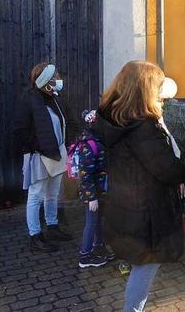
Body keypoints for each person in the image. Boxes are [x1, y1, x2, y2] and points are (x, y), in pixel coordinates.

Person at [92, 61, 185, 312]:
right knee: (145, 267)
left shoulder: (116, 119)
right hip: (147, 214)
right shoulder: (143, 127)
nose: (161, 92)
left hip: (127, 207)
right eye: (158, 86)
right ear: (145, 89)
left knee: (140, 266)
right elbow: (167, 168)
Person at [13, 63, 77, 252]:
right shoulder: (29, 100)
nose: (58, 78)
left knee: (53, 193)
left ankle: (52, 226)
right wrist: (39, 147)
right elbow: (20, 130)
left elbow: (68, 122)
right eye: (55, 75)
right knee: (35, 195)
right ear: (46, 81)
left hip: (57, 153)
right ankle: (35, 236)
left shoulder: (56, 99)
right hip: (39, 155)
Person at [76, 110, 114, 269]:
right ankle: (85, 256)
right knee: (91, 222)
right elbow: (85, 174)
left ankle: (98, 246)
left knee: (99, 220)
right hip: (92, 193)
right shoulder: (90, 144)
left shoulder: (99, 140)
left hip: (100, 191)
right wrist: (91, 197)